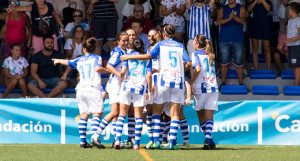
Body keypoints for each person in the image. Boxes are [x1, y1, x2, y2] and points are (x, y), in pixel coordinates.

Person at [121, 24, 191, 150]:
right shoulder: (180, 45)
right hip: (178, 81)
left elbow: (147, 56)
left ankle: (157, 141)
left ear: (163, 34)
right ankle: (172, 143)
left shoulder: (160, 44)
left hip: (163, 80)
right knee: (175, 115)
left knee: (156, 113)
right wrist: (181, 68)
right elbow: (189, 62)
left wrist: (129, 56)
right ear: (173, 34)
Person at [52, 37, 110, 148]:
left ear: (84, 49)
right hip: (92, 89)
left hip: (81, 89)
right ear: (94, 48)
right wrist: (109, 70)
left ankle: (83, 141)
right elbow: (98, 69)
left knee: (84, 115)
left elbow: (68, 62)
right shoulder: (97, 57)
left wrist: (58, 60)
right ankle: (94, 137)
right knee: (96, 114)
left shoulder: (79, 59)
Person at [90, 31, 128, 149]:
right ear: (118, 41)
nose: (126, 42)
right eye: (123, 41)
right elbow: (109, 66)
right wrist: (119, 75)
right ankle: (96, 135)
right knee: (115, 112)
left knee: (117, 114)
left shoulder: (122, 51)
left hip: (116, 84)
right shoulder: (118, 52)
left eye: (127, 40)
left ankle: (116, 140)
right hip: (116, 85)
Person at [114, 38, 152, 150]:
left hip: (127, 86)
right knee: (138, 117)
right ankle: (136, 144)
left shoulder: (128, 56)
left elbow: (123, 71)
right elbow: (149, 76)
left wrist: (122, 81)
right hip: (139, 88)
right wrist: (149, 91)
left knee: (122, 115)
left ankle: (117, 140)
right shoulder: (146, 58)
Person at [191, 34, 218, 150]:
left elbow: (197, 69)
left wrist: (192, 82)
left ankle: (208, 139)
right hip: (213, 86)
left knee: (200, 114)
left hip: (200, 87)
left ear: (197, 43)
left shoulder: (195, 54)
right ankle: (209, 139)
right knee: (209, 115)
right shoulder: (210, 54)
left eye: (194, 41)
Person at [216, 0, 247, 86]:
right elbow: (218, 22)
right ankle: (223, 83)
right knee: (224, 62)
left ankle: (241, 83)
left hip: (237, 40)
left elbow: (243, 21)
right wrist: (229, 19)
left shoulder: (241, 8)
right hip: (224, 40)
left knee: (239, 63)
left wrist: (234, 17)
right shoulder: (222, 9)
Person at [186, 0, 217, 79]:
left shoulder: (207, 7)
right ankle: (194, 85)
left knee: (208, 61)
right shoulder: (191, 7)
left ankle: (208, 82)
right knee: (192, 63)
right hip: (193, 39)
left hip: (205, 40)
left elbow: (212, 2)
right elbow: (188, 2)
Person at [248, 0, 272, 70]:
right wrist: (255, 1)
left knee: (266, 47)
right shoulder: (252, 1)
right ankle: (256, 68)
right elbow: (249, 9)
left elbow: (268, 8)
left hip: (265, 24)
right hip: (255, 24)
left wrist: (262, 1)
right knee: (255, 47)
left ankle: (268, 68)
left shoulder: (267, 1)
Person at [286, 2, 300, 86]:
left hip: (296, 45)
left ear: (293, 10)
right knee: (294, 65)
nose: (288, 11)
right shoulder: (290, 21)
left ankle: (297, 84)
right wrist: (282, 42)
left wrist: (292, 39)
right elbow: (287, 33)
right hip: (290, 46)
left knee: (297, 65)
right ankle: (296, 82)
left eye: (289, 9)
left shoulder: (298, 20)